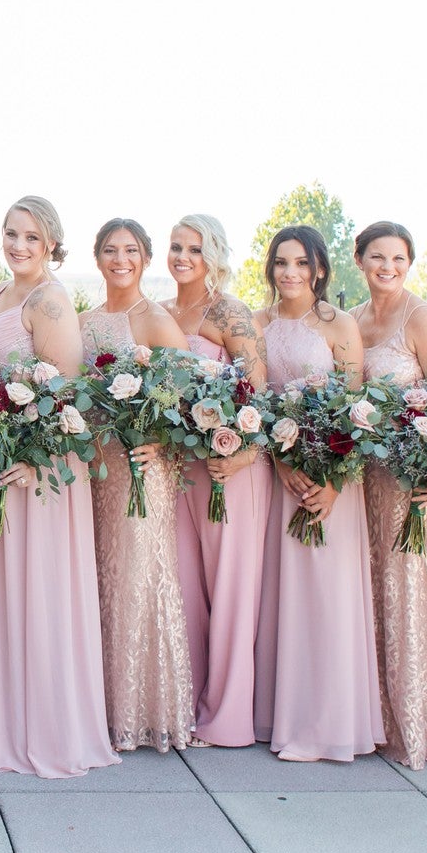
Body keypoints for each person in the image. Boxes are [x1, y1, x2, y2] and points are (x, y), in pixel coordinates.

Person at [0, 197, 117, 777]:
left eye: (31, 237)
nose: (19, 245)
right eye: (12, 233)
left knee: (40, 594)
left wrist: (37, 464)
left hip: (37, 470)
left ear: (52, 243)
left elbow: (69, 396)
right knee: (7, 595)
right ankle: (8, 719)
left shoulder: (50, 301)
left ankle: (49, 730)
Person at [252, 225, 383, 762]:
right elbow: (256, 402)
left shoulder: (339, 324)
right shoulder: (257, 324)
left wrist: (332, 482)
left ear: (321, 269)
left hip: (332, 480)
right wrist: (283, 461)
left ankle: (330, 724)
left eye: (301, 263)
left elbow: (355, 409)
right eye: (281, 262)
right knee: (284, 595)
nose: (290, 273)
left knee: (328, 597)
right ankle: (282, 717)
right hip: (281, 475)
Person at [83, 217, 197, 753]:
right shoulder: (84, 322)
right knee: (97, 580)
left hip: (140, 471)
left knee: (138, 577)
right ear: (97, 258)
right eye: (110, 250)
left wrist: (163, 445)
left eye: (131, 250)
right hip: (93, 468)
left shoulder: (155, 320)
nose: (120, 260)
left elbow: (192, 402)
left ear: (146, 259)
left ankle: (142, 712)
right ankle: (98, 709)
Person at [156, 213, 268, 746]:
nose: (183, 257)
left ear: (214, 256)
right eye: (176, 247)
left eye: (194, 249)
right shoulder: (160, 312)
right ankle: (184, 700)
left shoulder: (230, 312)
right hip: (177, 469)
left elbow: (260, 392)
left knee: (229, 589)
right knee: (181, 585)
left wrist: (241, 455)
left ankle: (226, 718)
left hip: (228, 470)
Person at [351, 220, 427, 769]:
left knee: (408, 596)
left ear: (409, 263)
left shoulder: (423, 318)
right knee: (367, 594)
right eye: (377, 257)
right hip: (360, 479)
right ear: (359, 260)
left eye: (397, 258)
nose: (387, 267)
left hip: (410, 481)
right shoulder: (351, 319)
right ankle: (369, 719)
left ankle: (415, 727)